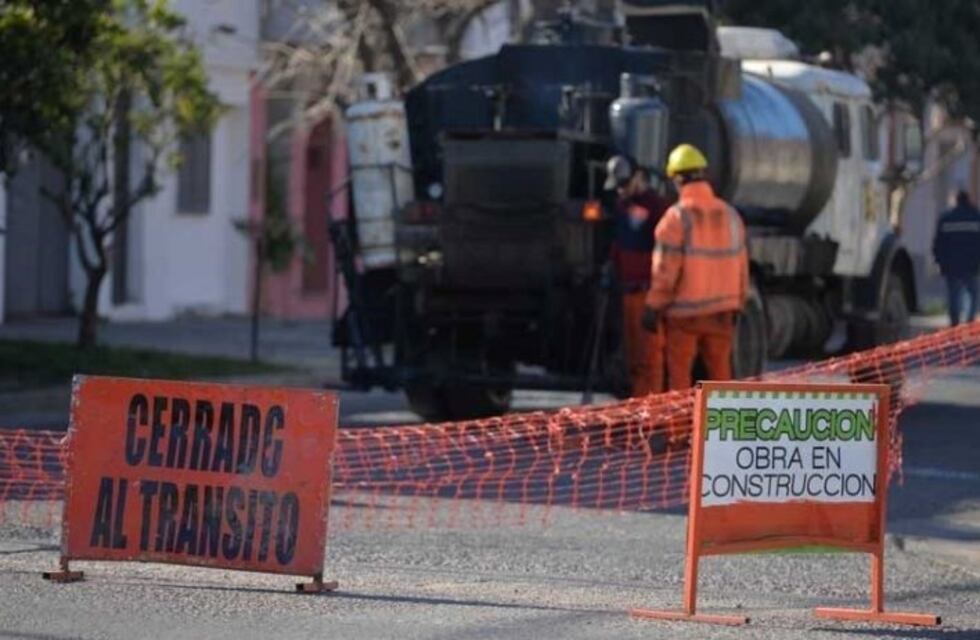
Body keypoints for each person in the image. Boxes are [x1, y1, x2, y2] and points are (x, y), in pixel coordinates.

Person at [641, 144, 749, 390]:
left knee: (679, 377)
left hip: (684, 314)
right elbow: (742, 266)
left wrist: (653, 305)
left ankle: (680, 428)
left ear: (677, 179)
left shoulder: (675, 218)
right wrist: (739, 303)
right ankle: (722, 427)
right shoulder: (731, 215)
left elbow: (665, 271)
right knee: (720, 375)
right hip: (722, 311)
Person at [604, 155, 671, 396]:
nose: (621, 190)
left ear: (639, 177)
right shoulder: (622, 206)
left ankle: (651, 411)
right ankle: (640, 407)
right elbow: (620, 243)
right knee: (634, 358)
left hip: (648, 292)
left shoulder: (658, 207)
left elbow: (666, 252)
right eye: (618, 186)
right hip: (628, 291)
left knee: (650, 357)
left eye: (624, 184)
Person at [932, 190, 980, 326]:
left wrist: (939, 261)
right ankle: (970, 321)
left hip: (951, 265)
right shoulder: (976, 217)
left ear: (956, 200)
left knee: (954, 295)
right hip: (972, 265)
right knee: (974, 294)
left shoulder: (946, 218)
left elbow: (938, 244)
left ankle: (954, 324)